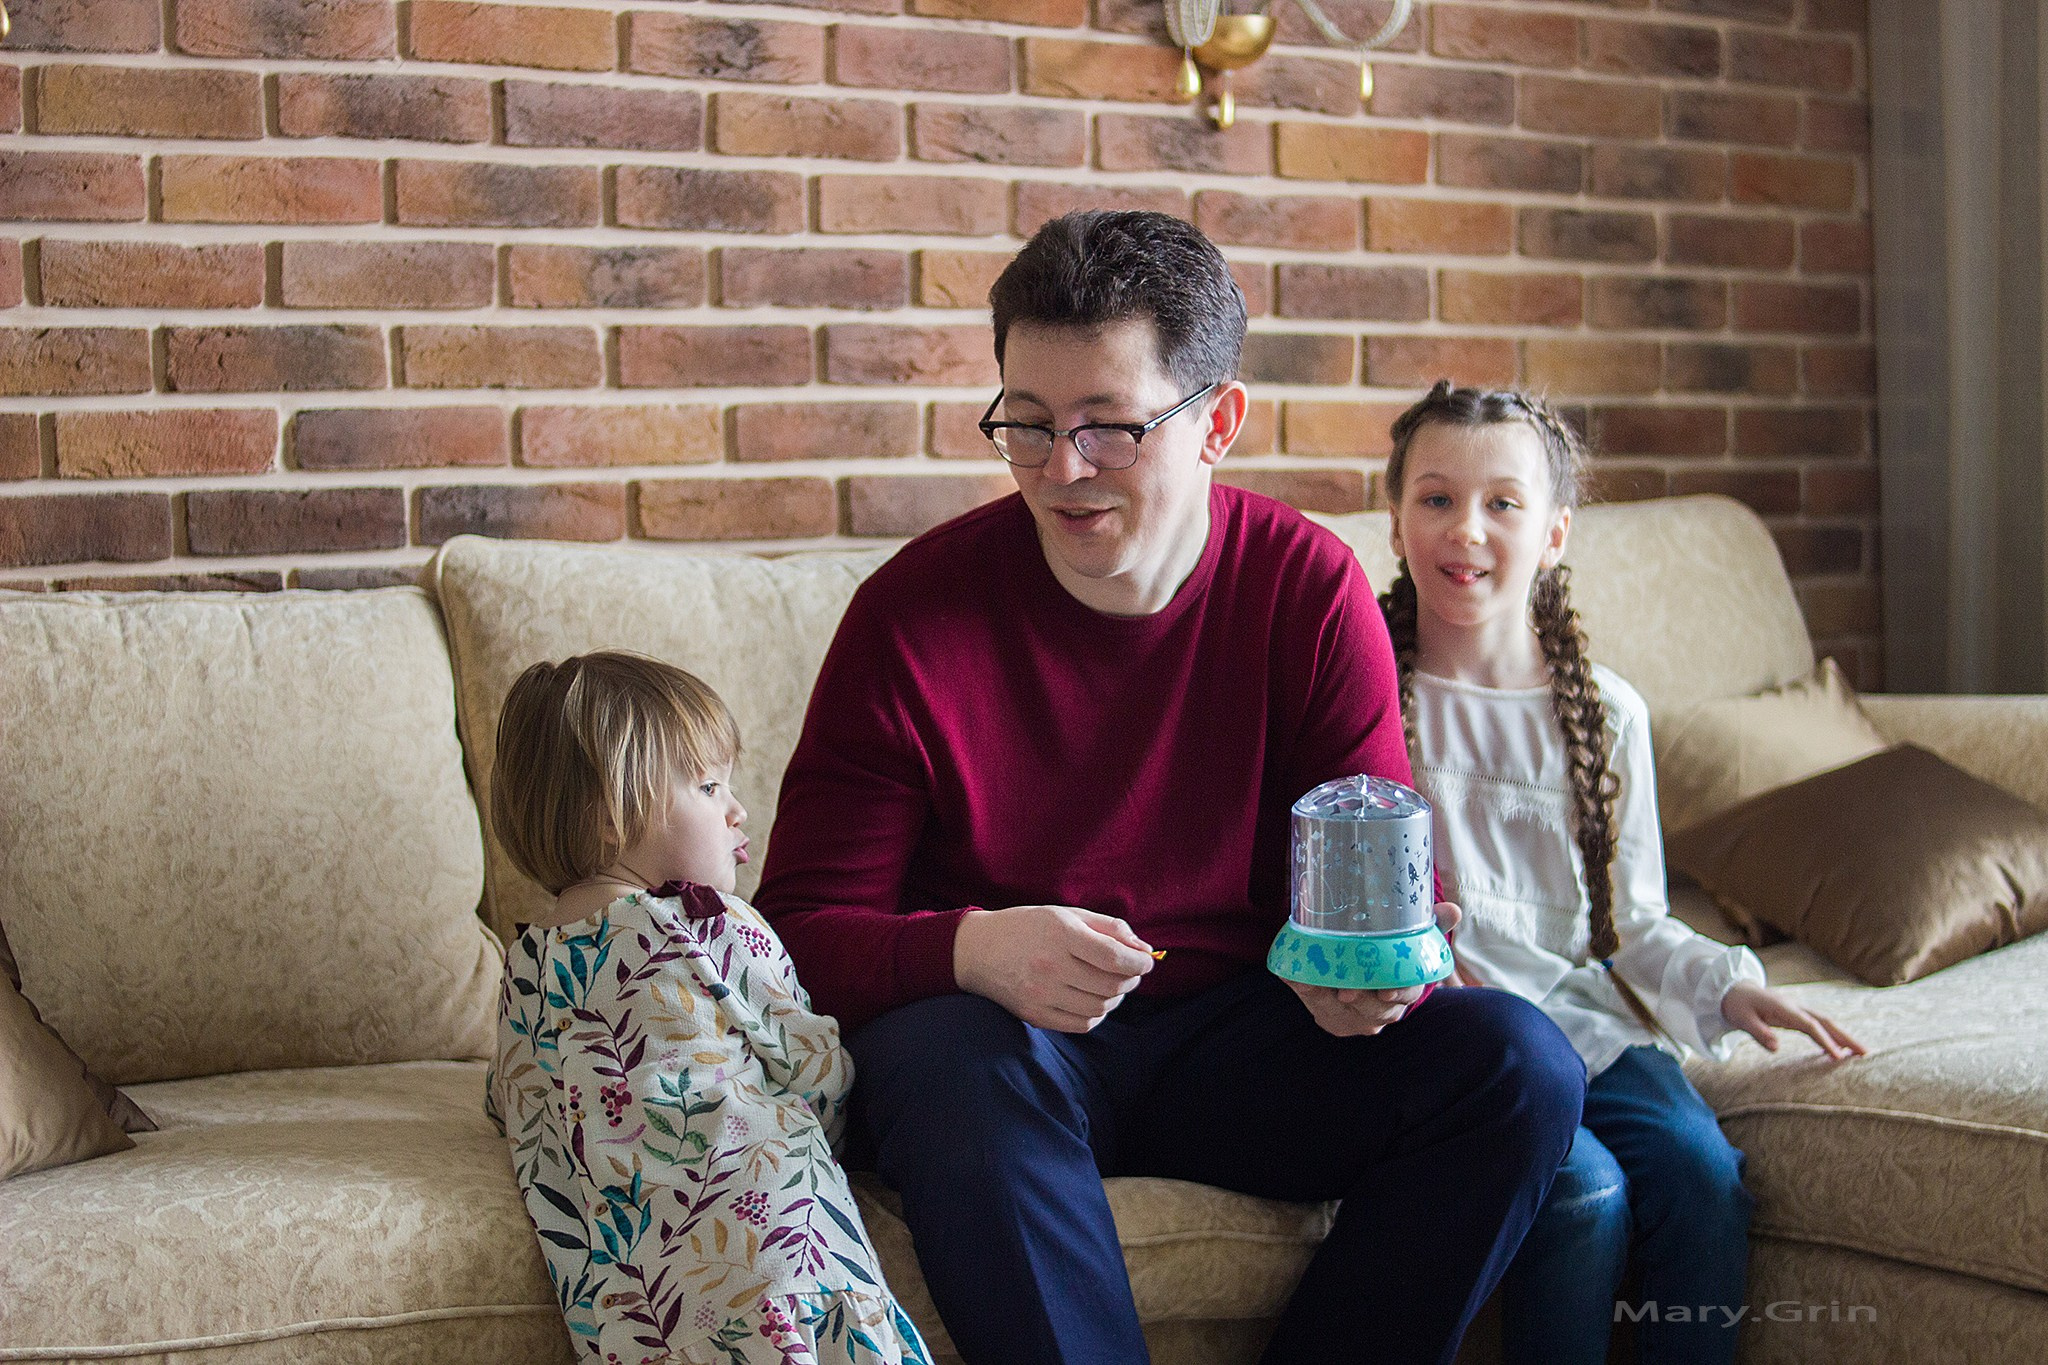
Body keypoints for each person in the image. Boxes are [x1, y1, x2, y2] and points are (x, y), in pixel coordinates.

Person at [754, 210, 1586, 1365]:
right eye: (1028, 427)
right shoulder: (912, 617)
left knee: (1518, 1064)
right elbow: (792, 931)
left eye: (1108, 429)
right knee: (948, 1062)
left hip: (1245, 1041)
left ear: (1217, 424)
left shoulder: (1305, 589)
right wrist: (973, 949)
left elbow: (1376, 876)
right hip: (1008, 1049)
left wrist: (1365, 979)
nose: (1062, 472)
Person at [1376, 381, 1868, 1365]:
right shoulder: (1368, 695)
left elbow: (1631, 926)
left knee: (1699, 1176)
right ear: (1393, 522)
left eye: (1501, 504)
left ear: (1553, 535)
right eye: (1434, 499)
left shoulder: (1605, 712)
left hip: (1586, 1017)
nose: (1464, 528)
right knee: (1585, 1195)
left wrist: (1727, 989)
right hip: (1462, 1035)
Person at [483, 651, 933, 1365]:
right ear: (609, 816)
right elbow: (813, 1066)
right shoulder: (710, 925)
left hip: (637, 1321)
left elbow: (515, 1108)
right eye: (709, 784)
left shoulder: (526, 970)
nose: (737, 809)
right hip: (781, 1260)